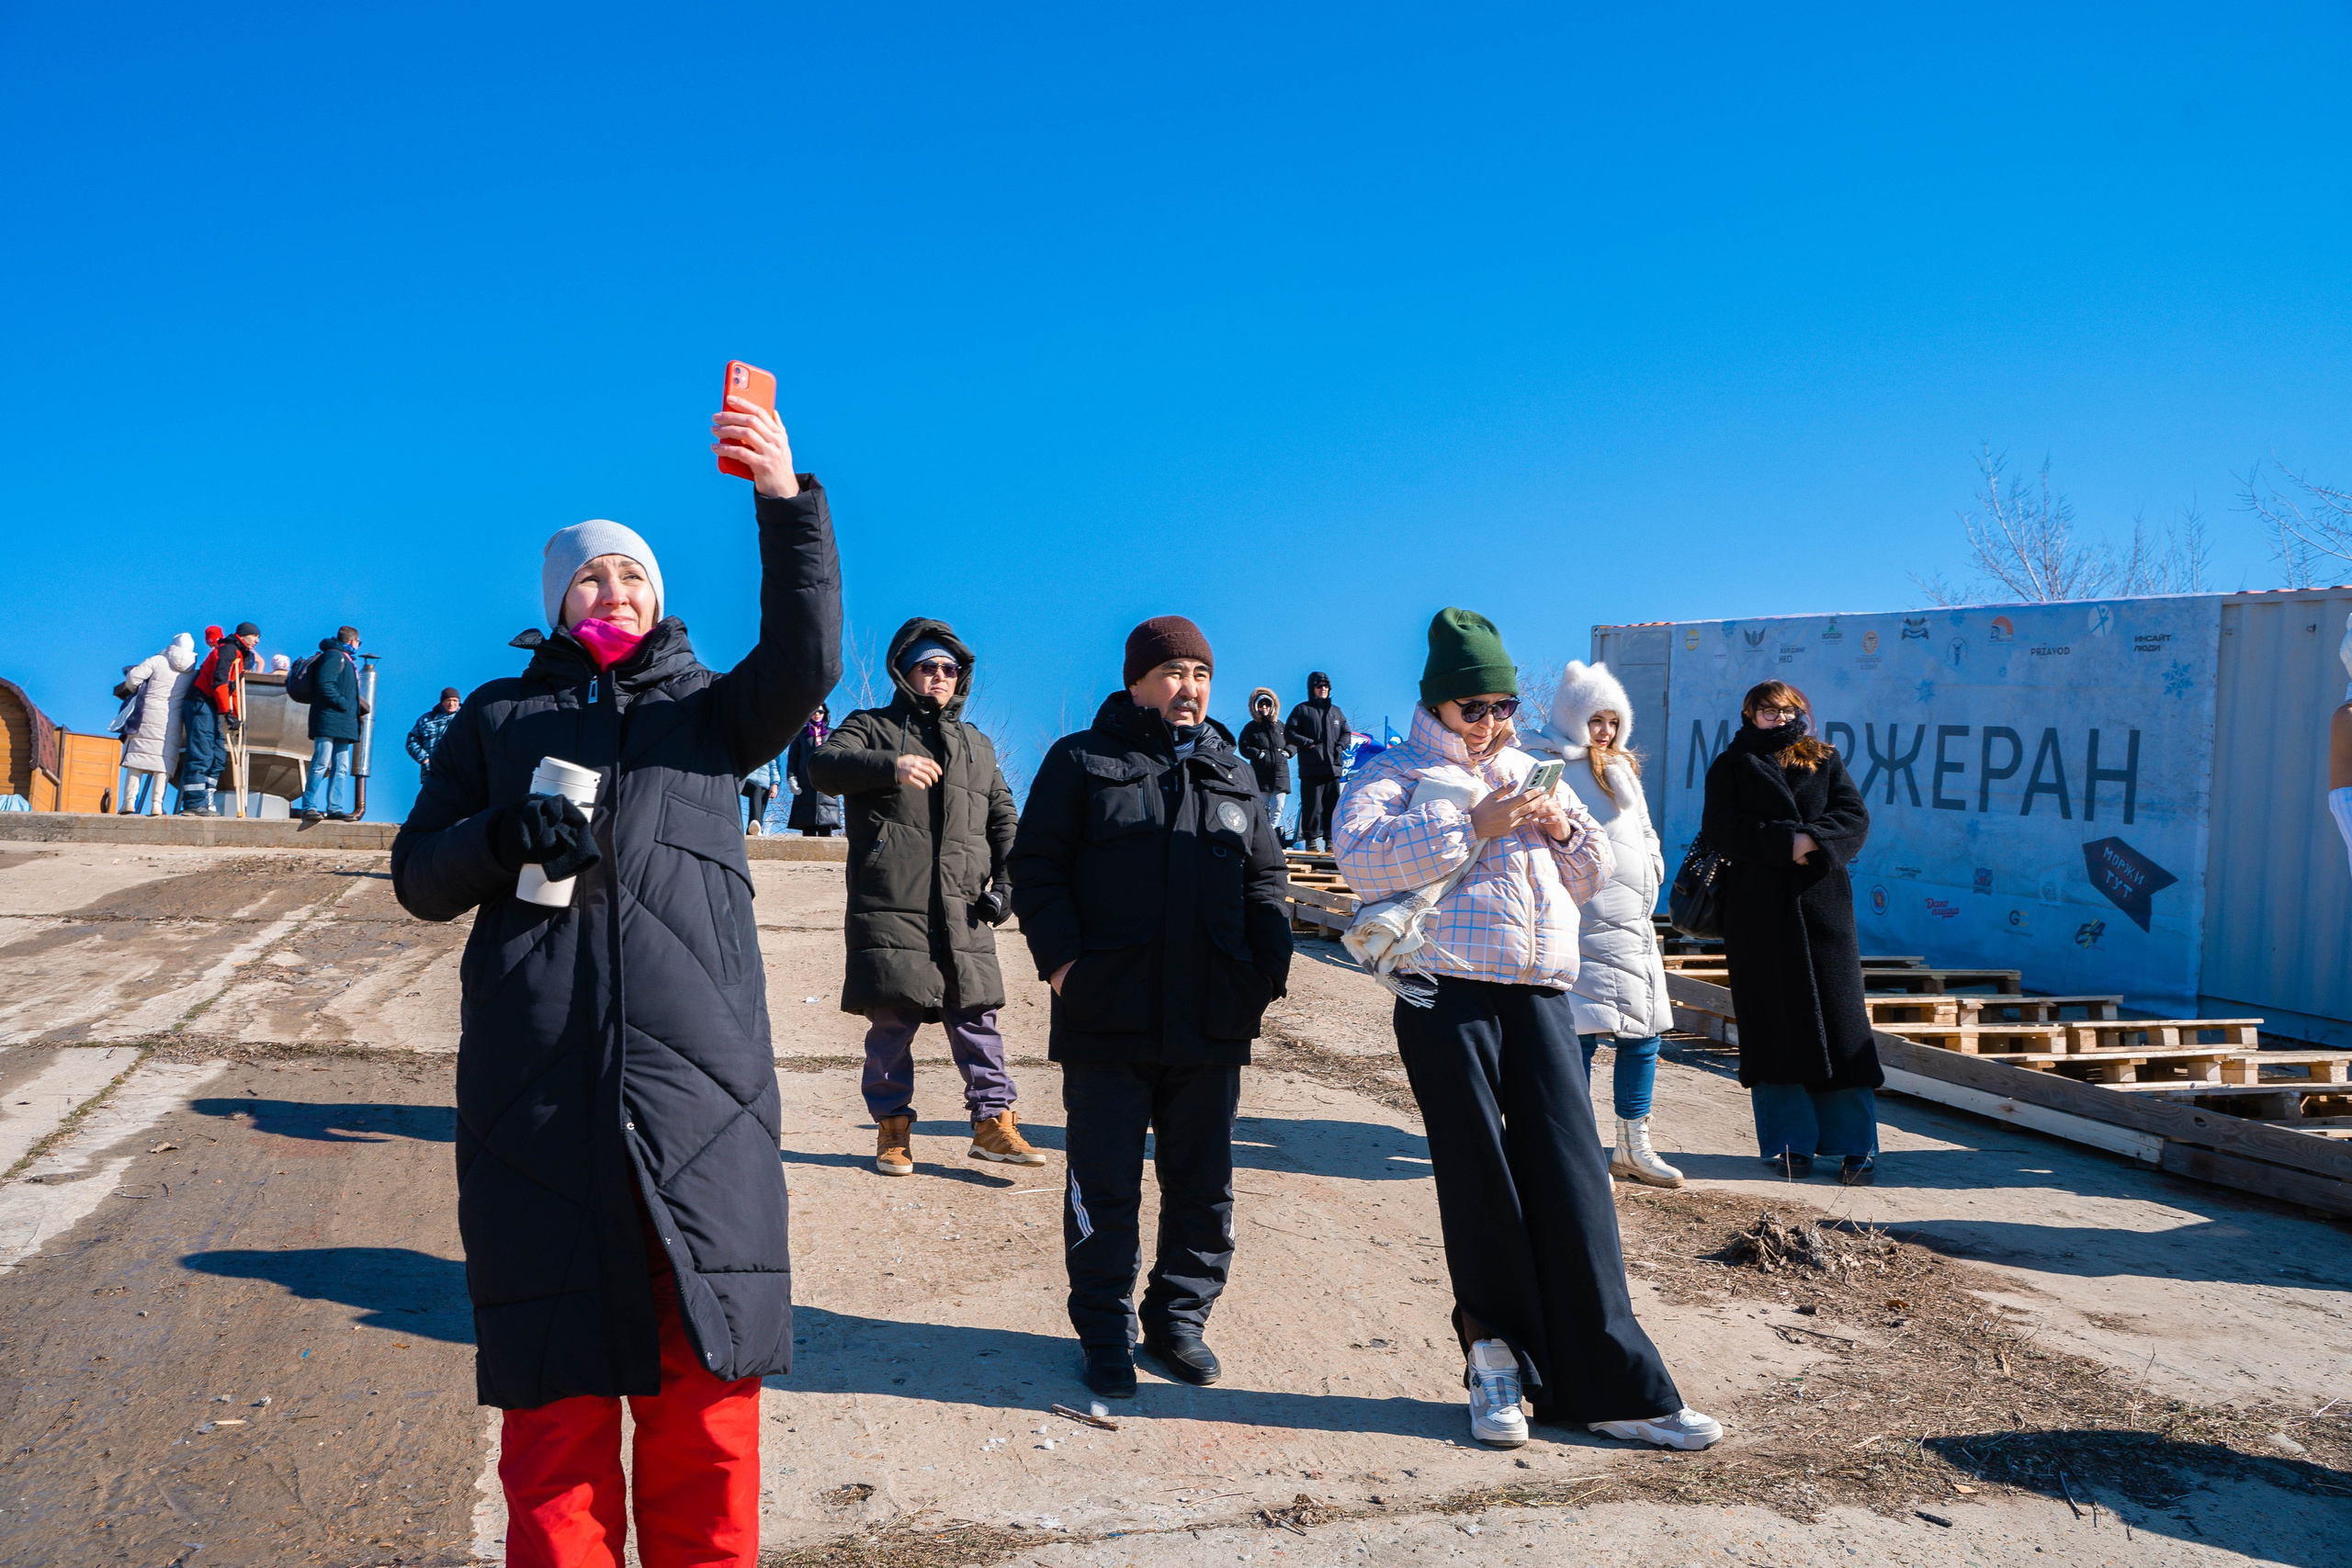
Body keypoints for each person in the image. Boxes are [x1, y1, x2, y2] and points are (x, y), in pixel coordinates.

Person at [390, 391, 839, 1568]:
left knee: (709, 1416)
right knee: (556, 1430)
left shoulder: (710, 712)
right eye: (589, 578)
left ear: (658, 596)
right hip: (536, 1104)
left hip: (701, 1104)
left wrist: (782, 499)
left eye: (632, 575)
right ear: (554, 601)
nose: (613, 591)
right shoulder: (497, 718)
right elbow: (419, 877)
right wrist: (501, 836)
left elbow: (808, 656)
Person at [1335, 608, 1720, 1454]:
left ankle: (1615, 1384)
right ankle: (1496, 1362)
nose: (1490, 721)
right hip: (1445, 990)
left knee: (1576, 1178)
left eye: (1502, 704)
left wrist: (1561, 825)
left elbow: (1592, 874)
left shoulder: (1534, 769)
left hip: (1542, 991)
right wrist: (1472, 823)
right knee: (1480, 1176)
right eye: (1472, 707)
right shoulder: (1394, 769)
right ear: (1436, 704)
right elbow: (1357, 857)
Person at [1009, 615, 1292, 1399]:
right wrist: (1065, 968)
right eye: (1172, 673)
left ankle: (1178, 1321)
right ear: (1136, 681)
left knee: (1203, 1185)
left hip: (1211, 1019)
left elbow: (1266, 881)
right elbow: (1036, 867)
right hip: (1108, 1016)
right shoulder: (1081, 760)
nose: (1189, 688)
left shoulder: (1233, 772)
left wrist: (1264, 974)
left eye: (1201, 674)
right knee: (1104, 1183)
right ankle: (1105, 1327)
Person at [809, 619, 1042, 1175]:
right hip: (891, 901)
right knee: (892, 1024)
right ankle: (892, 1131)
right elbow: (822, 766)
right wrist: (890, 766)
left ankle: (993, 1125)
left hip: (962, 906)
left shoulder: (977, 746)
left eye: (950, 669)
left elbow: (1004, 822)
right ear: (904, 671)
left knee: (977, 1018)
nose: (940, 676)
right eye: (928, 666)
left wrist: (1007, 886)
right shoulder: (870, 726)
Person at [1702, 680, 1877, 1185]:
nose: (1778, 719)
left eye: (1786, 711)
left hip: (1823, 906)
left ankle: (1856, 1146)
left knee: (1841, 1025)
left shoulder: (1824, 758)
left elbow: (1854, 817)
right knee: (1773, 1024)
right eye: (1767, 712)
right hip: (1758, 912)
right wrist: (1786, 844)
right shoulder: (1731, 764)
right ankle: (1789, 1146)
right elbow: (1720, 828)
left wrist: (1813, 841)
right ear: (1749, 715)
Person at [1523, 661, 1682, 1188]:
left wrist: (1652, 867)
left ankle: (1634, 1147)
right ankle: (1580, 1148)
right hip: (1580, 920)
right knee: (1580, 1037)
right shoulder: (1545, 763)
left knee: (1643, 1034)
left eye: (1614, 722)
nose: (1606, 731)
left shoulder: (1621, 767)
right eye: (1596, 720)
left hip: (1633, 922)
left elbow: (1644, 828)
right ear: (1573, 717)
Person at [179, 622, 259, 817]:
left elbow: (233, 688)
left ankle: (207, 800)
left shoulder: (239, 655)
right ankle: (193, 803)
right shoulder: (228, 650)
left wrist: (236, 716)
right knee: (202, 752)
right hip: (201, 703)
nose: (257, 640)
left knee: (217, 756)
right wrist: (227, 712)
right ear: (243, 635)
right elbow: (220, 683)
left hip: (212, 706)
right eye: (255, 636)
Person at [116, 633, 198, 816]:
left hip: (147, 714)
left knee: (136, 759)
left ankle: (129, 802)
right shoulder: (191, 671)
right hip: (172, 720)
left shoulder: (158, 660)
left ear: (172, 645)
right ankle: (157, 805)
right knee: (163, 763)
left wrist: (138, 690)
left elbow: (133, 678)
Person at [297, 626, 363, 821]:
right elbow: (325, 684)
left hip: (342, 723)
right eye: (358, 642)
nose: (358, 646)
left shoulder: (346, 659)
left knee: (341, 767)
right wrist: (344, 703)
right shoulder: (334, 656)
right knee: (321, 763)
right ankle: (309, 806)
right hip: (328, 719)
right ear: (353, 641)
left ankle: (335, 808)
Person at [1284, 672, 1350, 852]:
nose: (1323, 689)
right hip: (1311, 768)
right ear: (1312, 688)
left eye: (1326, 686)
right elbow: (1289, 732)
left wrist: (1340, 746)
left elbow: (1346, 732)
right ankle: (1311, 841)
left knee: (1332, 807)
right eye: (1319, 686)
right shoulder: (1302, 710)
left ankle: (1330, 841)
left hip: (1333, 768)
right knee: (1312, 807)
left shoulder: (1336, 712)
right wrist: (1309, 744)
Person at [1238, 687, 1295, 848]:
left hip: (1280, 773)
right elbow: (1243, 746)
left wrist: (1288, 752)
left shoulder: (1281, 726)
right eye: (1261, 705)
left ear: (1272, 706)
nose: (1264, 708)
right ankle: (1262, 835)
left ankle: (1270, 833)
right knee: (1261, 807)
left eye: (1267, 704)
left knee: (1277, 806)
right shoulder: (1251, 727)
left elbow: (1293, 741)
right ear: (1255, 707)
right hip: (1260, 774)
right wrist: (1257, 754)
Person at [785, 705, 843, 836]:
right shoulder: (800, 735)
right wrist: (792, 778)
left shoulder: (832, 733)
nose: (817, 714)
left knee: (826, 828)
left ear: (825, 713)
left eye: (820, 711)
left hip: (827, 785)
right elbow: (793, 758)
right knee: (807, 827)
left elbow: (839, 757)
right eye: (814, 711)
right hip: (805, 784)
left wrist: (839, 780)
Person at [406, 689, 463, 783]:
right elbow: (412, 740)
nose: (451, 704)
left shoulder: (465, 718)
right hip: (432, 774)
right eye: (448, 700)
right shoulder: (426, 720)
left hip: (459, 774)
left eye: (455, 700)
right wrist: (424, 759)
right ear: (442, 702)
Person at [741, 754, 781, 833]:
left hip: (764, 783)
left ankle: (753, 831)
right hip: (747, 779)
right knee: (756, 788)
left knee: (759, 812)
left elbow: (774, 767)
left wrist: (775, 784)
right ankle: (755, 821)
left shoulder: (771, 750)